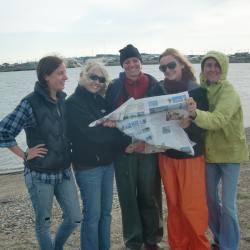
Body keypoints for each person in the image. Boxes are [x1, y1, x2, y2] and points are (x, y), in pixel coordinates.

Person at [0, 56, 82, 250]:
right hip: (39, 174)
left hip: (63, 171)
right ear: (46, 76)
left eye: (65, 72)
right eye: (60, 73)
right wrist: (24, 154)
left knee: (75, 218)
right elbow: (4, 131)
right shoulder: (30, 103)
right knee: (43, 224)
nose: (66, 77)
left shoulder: (63, 100)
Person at [187, 51, 249, 250]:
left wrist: (195, 113)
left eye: (216, 65)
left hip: (230, 153)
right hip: (210, 154)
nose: (212, 69)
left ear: (223, 68)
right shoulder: (201, 89)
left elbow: (218, 119)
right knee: (210, 200)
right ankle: (218, 238)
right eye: (208, 65)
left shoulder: (228, 91)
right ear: (203, 69)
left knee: (228, 205)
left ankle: (229, 246)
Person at [105, 44, 163, 250]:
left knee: (149, 195)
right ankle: (133, 240)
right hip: (124, 150)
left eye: (135, 61)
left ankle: (152, 239)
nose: (132, 65)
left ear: (141, 62)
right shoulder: (113, 87)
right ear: (123, 65)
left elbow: (163, 115)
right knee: (128, 197)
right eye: (127, 62)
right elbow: (108, 121)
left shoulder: (154, 83)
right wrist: (123, 146)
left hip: (148, 147)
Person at [151, 48, 210, 250]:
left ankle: (199, 246)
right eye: (163, 67)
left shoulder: (196, 90)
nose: (167, 70)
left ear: (182, 65)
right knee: (174, 206)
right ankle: (178, 245)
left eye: (171, 65)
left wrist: (191, 122)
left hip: (190, 158)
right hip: (166, 156)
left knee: (191, 206)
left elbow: (206, 125)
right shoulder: (157, 90)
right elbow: (149, 118)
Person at [66, 61, 124, 250]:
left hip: (108, 164)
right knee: (92, 215)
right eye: (93, 77)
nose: (97, 82)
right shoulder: (73, 103)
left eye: (101, 79)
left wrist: (112, 129)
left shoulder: (101, 101)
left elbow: (112, 129)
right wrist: (110, 129)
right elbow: (93, 134)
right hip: (88, 166)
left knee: (106, 213)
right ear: (83, 75)